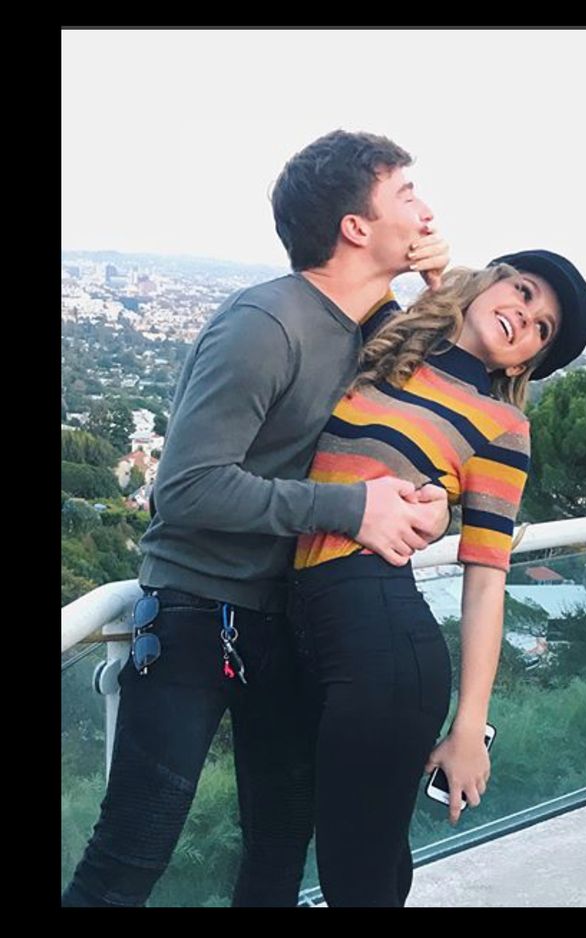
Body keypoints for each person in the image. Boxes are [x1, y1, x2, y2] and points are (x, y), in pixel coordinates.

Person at [61, 129, 452, 908]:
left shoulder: (372, 329)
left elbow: (445, 411)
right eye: (407, 194)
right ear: (356, 225)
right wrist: (353, 508)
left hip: (289, 620)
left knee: (280, 839)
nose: (428, 210)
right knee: (136, 846)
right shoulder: (264, 323)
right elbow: (189, 489)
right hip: (197, 613)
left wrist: (425, 499)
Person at [287, 249, 586, 907]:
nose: (526, 316)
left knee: (354, 871)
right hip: (297, 623)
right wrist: (429, 265)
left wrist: (470, 727)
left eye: (541, 328)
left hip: (381, 640)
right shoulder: (387, 349)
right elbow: (348, 263)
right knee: (339, 855)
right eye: (523, 291)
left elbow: (485, 579)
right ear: (487, 284)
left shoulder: (502, 425)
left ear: (522, 365)